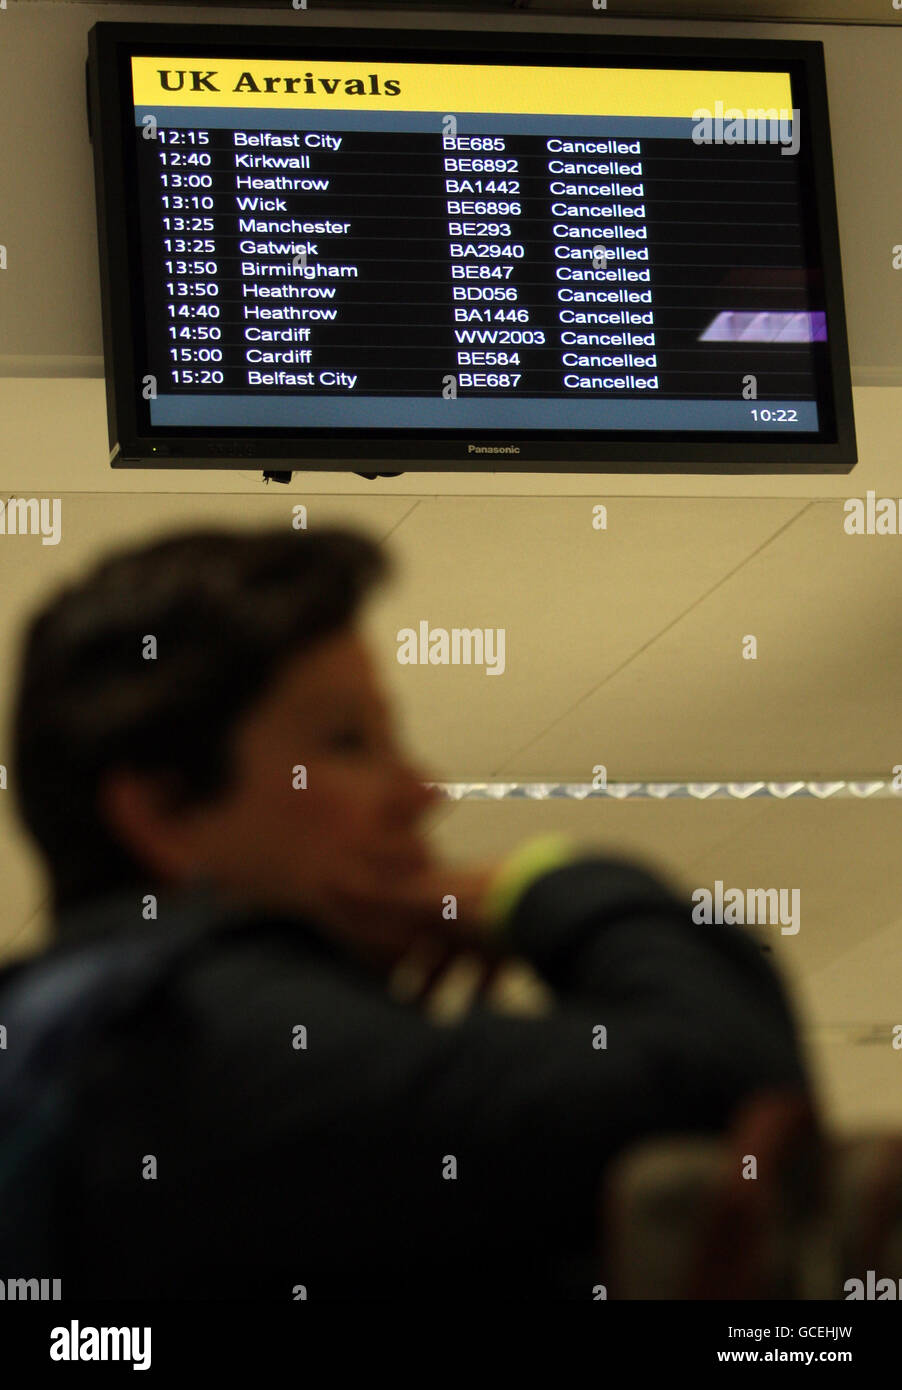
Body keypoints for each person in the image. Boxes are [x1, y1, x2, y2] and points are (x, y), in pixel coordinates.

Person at [4, 526, 811, 1299]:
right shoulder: (216, 1048)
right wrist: (540, 885)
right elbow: (728, 1076)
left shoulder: (62, 1041)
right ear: (164, 811)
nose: (423, 791)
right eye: (349, 742)